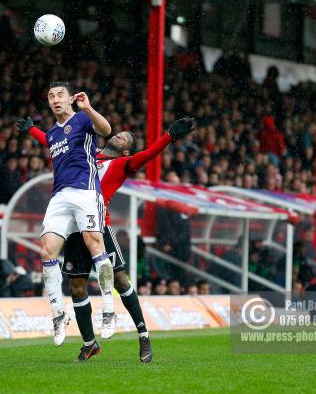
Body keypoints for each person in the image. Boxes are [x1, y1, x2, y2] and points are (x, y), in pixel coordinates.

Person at [25, 116, 195, 361]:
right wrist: (32, 129)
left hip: (98, 228)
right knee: (76, 287)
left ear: (126, 149)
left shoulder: (123, 163)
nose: (118, 134)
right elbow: (55, 143)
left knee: (120, 281)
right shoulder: (87, 152)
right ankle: (89, 343)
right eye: (119, 132)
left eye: (124, 137)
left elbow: (148, 154)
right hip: (72, 228)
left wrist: (168, 136)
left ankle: (144, 335)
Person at [17, 81, 112, 347]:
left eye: (60, 95)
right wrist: (31, 130)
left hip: (85, 190)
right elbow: (47, 139)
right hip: (60, 196)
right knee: (46, 251)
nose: (55, 99)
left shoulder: (82, 119)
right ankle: (58, 314)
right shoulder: (53, 134)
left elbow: (106, 130)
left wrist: (89, 107)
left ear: (71, 99)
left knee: (94, 242)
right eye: (51, 96)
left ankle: (108, 309)